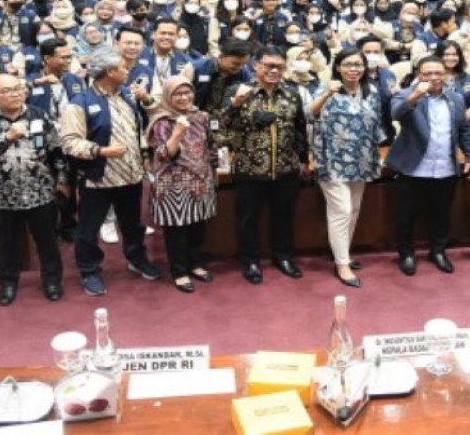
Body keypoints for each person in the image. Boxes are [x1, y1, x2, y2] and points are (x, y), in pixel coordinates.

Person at [60, 48, 161, 296]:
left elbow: (147, 119)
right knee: (88, 229)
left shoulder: (128, 95)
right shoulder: (80, 102)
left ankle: (137, 258)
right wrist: (100, 151)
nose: (128, 71)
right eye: (124, 67)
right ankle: (89, 270)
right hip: (97, 177)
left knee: (133, 224)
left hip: (131, 175)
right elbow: (69, 142)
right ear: (109, 72)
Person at [0, 73, 67, 305]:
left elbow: (56, 149)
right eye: (6, 90)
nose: (15, 93)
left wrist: (63, 178)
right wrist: (8, 136)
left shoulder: (40, 114)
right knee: (5, 244)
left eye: (18, 88)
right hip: (1, 194)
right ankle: (7, 283)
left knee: (47, 241)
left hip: (40, 191)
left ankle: (52, 280)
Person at [222, 46, 309, 284]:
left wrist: (303, 160)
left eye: (279, 67)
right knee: (248, 219)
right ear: (255, 65)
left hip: (285, 168)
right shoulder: (238, 90)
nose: (274, 70)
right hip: (250, 169)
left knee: (285, 217)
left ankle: (284, 257)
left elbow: (300, 128)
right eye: (269, 65)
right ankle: (249, 260)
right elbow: (222, 127)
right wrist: (236, 105)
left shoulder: (292, 93)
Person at [386, 56, 470, 276]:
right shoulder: (405, 94)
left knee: (441, 214)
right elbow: (396, 114)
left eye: (438, 73)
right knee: (406, 216)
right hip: (414, 168)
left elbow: (464, 130)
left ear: (445, 74)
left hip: (446, 167)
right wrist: (415, 95)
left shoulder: (456, 99)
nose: (434, 78)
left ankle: (437, 251)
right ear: (419, 74)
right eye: (428, 73)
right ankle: (406, 254)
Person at [309, 48, 388, 288]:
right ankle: (342, 263)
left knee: (353, 209)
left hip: (362, 159)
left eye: (358, 64)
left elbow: (376, 126)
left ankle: (342, 254)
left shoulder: (371, 92)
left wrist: (377, 156)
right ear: (338, 67)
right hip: (331, 160)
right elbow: (308, 114)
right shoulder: (327, 88)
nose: (353, 69)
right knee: (341, 210)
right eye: (348, 64)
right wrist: (326, 95)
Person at [145, 76, 218, 293]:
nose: (184, 97)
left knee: (197, 226)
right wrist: (177, 132)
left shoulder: (202, 116)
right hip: (172, 185)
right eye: (178, 93)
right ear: (168, 96)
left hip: (200, 181)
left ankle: (195, 264)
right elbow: (163, 155)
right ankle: (179, 272)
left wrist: (212, 171)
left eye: (188, 92)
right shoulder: (161, 121)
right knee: (176, 230)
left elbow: (211, 146)